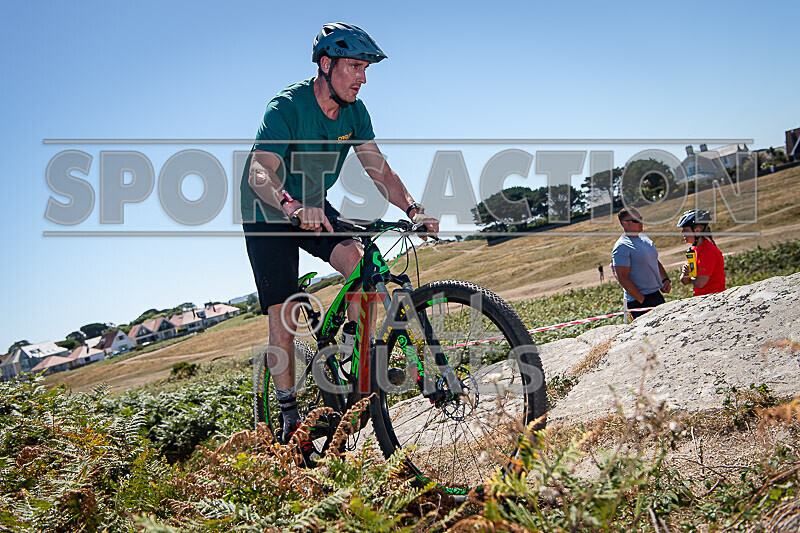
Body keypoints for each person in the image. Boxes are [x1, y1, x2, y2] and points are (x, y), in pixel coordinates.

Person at [240, 23, 439, 460]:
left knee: (361, 261)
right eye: (354, 67)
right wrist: (290, 207)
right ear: (326, 65)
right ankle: (289, 411)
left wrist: (412, 209)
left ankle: (352, 357)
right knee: (285, 309)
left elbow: (380, 171)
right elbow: (260, 171)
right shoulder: (287, 108)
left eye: (365, 69)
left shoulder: (355, 113)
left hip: (314, 203)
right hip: (269, 210)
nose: (362, 77)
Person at [611, 207, 671, 319]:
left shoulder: (644, 239)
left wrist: (664, 280)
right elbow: (622, 277)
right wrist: (642, 300)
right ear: (625, 223)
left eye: (641, 219)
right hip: (639, 302)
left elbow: (654, 261)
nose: (640, 223)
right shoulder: (622, 246)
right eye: (635, 220)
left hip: (656, 294)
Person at [677, 210, 725, 295]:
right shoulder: (695, 249)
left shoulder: (708, 251)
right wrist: (685, 274)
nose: (682, 232)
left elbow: (700, 283)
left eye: (685, 229)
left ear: (697, 230)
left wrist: (690, 278)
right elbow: (684, 281)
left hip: (713, 297)